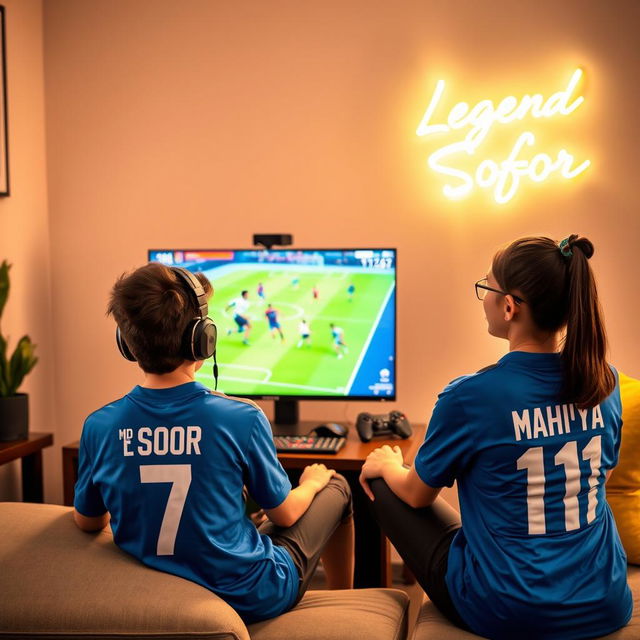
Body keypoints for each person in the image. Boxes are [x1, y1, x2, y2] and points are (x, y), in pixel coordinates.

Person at [360, 235, 632, 640]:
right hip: (605, 600)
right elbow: (600, 481)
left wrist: (388, 465)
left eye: (485, 287)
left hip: (509, 610)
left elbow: (418, 495)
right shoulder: (605, 381)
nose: (483, 297)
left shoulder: (470, 396)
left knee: (382, 484)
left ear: (509, 306)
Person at [73, 263, 354, 624]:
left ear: (126, 344)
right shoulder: (241, 417)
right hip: (251, 596)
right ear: (202, 338)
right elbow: (285, 513)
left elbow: (87, 521)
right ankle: (345, 604)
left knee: (252, 515)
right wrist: (312, 482)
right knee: (337, 485)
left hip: (158, 590)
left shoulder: (99, 426)